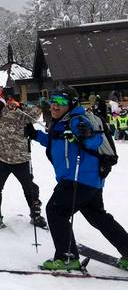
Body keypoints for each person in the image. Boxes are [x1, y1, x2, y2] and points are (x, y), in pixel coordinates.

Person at [26, 86, 128, 271]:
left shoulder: (77, 119)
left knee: (56, 211)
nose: (55, 105)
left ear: (71, 104)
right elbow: (57, 141)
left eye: (61, 102)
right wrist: (35, 135)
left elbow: (95, 141)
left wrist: (86, 135)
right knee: (99, 218)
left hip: (78, 179)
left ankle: (67, 258)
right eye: (53, 101)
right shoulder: (63, 121)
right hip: (90, 181)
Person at [0, 92, 45, 230]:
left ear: (3, 103)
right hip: (1, 160)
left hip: (21, 160)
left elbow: (36, 113)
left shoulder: (17, 115)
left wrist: (21, 105)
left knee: (30, 188)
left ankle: (36, 215)